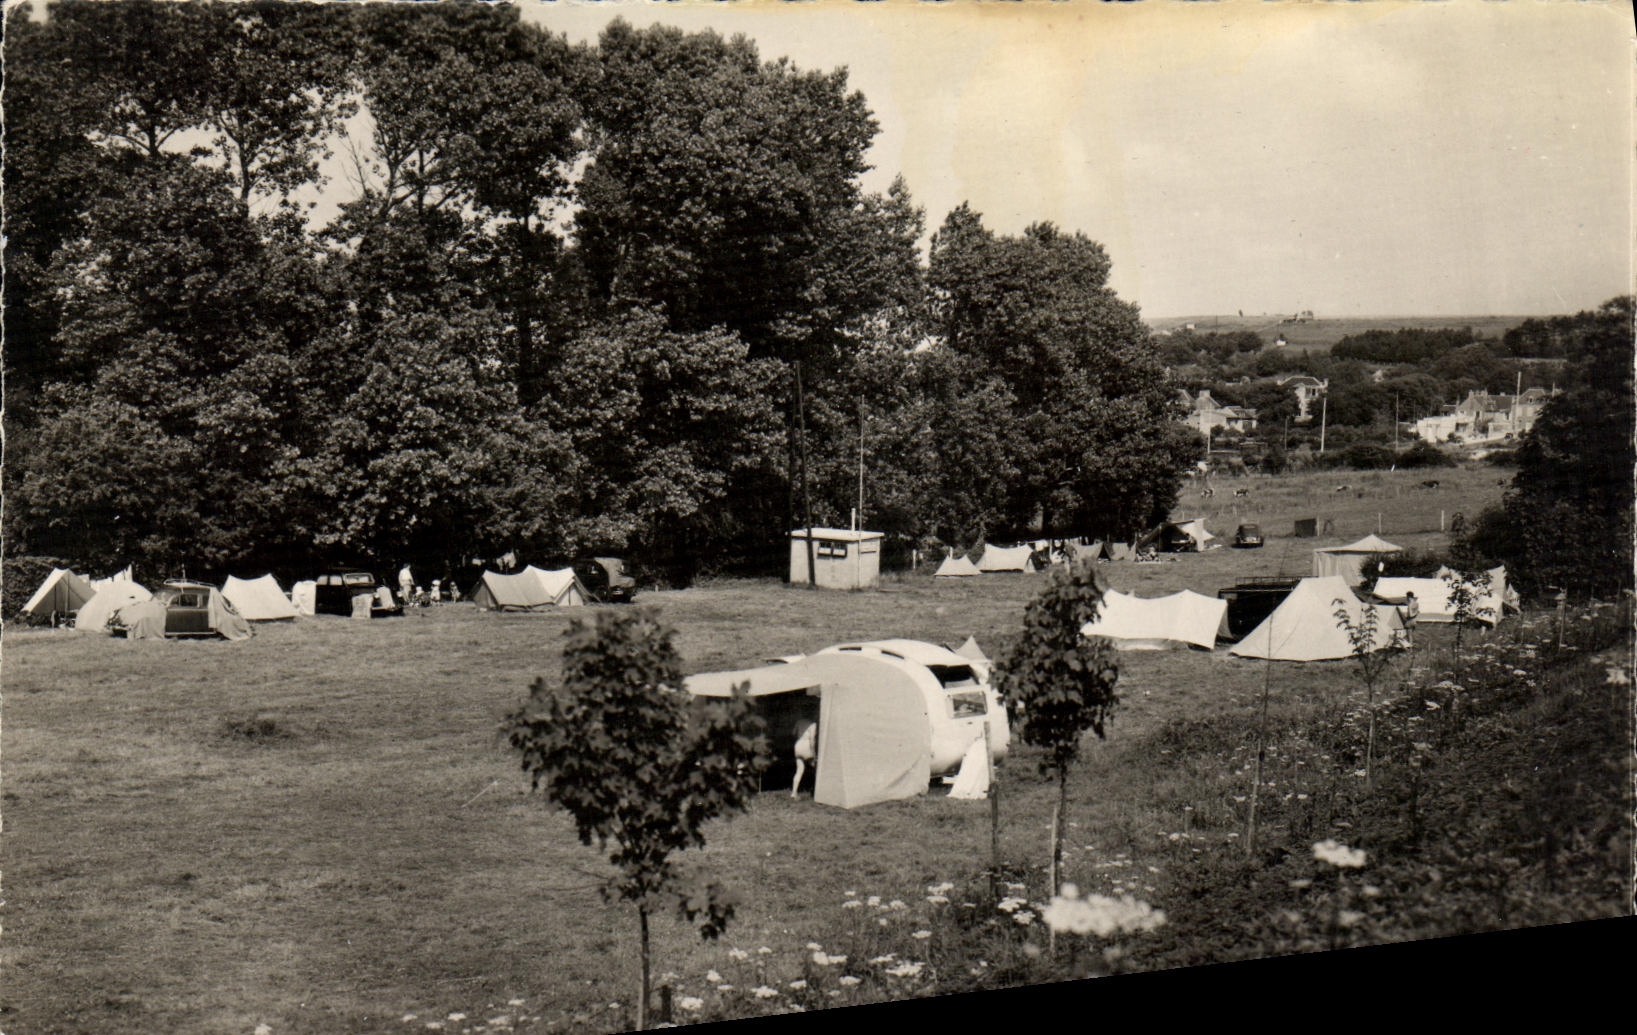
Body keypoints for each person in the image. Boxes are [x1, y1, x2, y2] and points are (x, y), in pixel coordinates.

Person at [791, 721, 817, 800]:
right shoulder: (813, 724)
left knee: (799, 770)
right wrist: (813, 753)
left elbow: (793, 733)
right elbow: (812, 739)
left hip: (798, 745)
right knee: (815, 767)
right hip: (806, 745)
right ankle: (817, 791)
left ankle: (794, 792)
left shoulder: (799, 722)